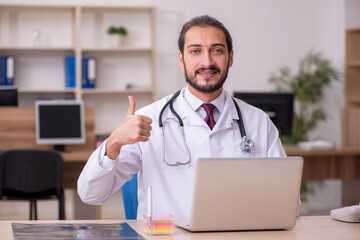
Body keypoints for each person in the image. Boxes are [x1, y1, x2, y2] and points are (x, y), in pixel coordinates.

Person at [77, 15, 286, 220]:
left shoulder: (258, 122)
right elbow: (91, 195)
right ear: (181, 59)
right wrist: (114, 142)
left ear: (230, 58)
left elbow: (286, 202)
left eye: (217, 51)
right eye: (195, 51)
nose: (207, 61)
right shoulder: (147, 119)